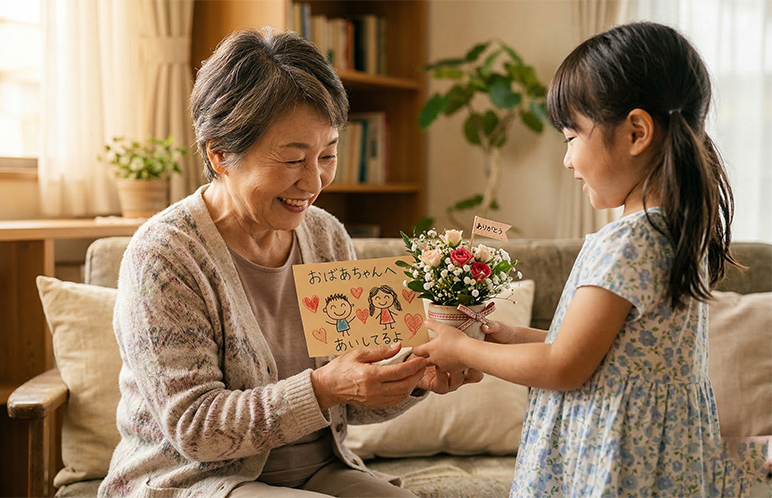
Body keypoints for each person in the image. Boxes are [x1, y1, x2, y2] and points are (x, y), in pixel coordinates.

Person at [98, 28, 481, 498]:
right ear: (220, 153)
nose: (315, 181)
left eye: (328, 155)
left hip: (322, 471)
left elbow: (352, 404)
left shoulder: (325, 234)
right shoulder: (165, 255)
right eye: (294, 159)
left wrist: (413, 376)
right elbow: (196, 428)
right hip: (199, 481)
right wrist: (322, 387)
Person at [413, 22, 753, 496]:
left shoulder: (628, 242)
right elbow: (611, 354)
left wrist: (461, 349)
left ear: (636, 131)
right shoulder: (673, 233)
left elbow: (564, 367)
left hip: (613, 456)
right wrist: (510, 337)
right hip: (656, 455)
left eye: (572, 137)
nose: (568, 160)